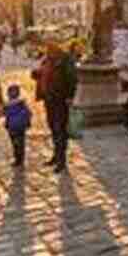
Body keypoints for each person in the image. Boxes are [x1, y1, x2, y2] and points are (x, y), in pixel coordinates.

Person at [34, 41, 78, 172]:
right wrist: (37, 75)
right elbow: (42, 72)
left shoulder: (65, 59)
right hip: (49, 99)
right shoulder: (47, 59)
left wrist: (70, 96)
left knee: (60, 129)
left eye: (49, 48)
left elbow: (72, 78)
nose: (47, 50)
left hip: (60, 99)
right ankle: (56, 155)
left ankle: (61, 160)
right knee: (53, 127)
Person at [3, 84, 32, 168]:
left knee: (15, 144)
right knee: (21, 143)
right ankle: (20, 159)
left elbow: (5, 114)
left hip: (12, 128)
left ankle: (17, 159)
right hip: (21, 127)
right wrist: (27, 123)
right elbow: (29, 113)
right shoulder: (22, 104)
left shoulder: (7, 105)